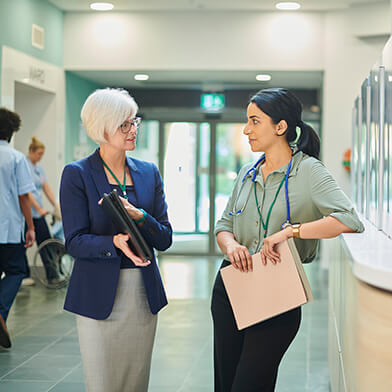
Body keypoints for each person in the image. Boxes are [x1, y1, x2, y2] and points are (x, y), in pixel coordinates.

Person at [211, 88, 364, 392]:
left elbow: (349, 220)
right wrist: (231, 245)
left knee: (250, 383)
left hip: (277, 289)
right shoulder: (246, 172)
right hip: (231, 286)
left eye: (255, 121)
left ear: (280, 127)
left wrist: (291, 231)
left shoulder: (308, 171)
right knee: (225, 382)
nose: (246, 129)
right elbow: (224, 224)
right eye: (247, 121)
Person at [59, 88, 172, 392]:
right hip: (97, 293)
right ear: (102, 127)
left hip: (142, 293)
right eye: (124, 125)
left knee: (136, 381)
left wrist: (140, 217)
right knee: (102, 383)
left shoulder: (149, 173)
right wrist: (114, 244)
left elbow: (165, 237)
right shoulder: (77, 174)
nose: (133, 130)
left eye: (135, 122)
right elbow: (74, 241)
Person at [0, 107, 36, 348]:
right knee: (16, 270)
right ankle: (1, 314)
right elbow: (24, 197)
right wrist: (31, 227)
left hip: (8, 227)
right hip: (9, 227)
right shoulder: (15, 158)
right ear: (12, 131)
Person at [23, 136, 63, 285]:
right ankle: (23, 275)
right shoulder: (24, 165)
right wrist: (39, 209)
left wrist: (56, 205)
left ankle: (52, 276)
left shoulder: (38, 168)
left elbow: (45, 187)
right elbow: (26, 192)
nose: (40, 157)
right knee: (24, 245)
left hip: (38, 214)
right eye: (39, 154)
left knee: (46, 243)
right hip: (27, 213)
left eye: (42, 154)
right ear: (31, 151)